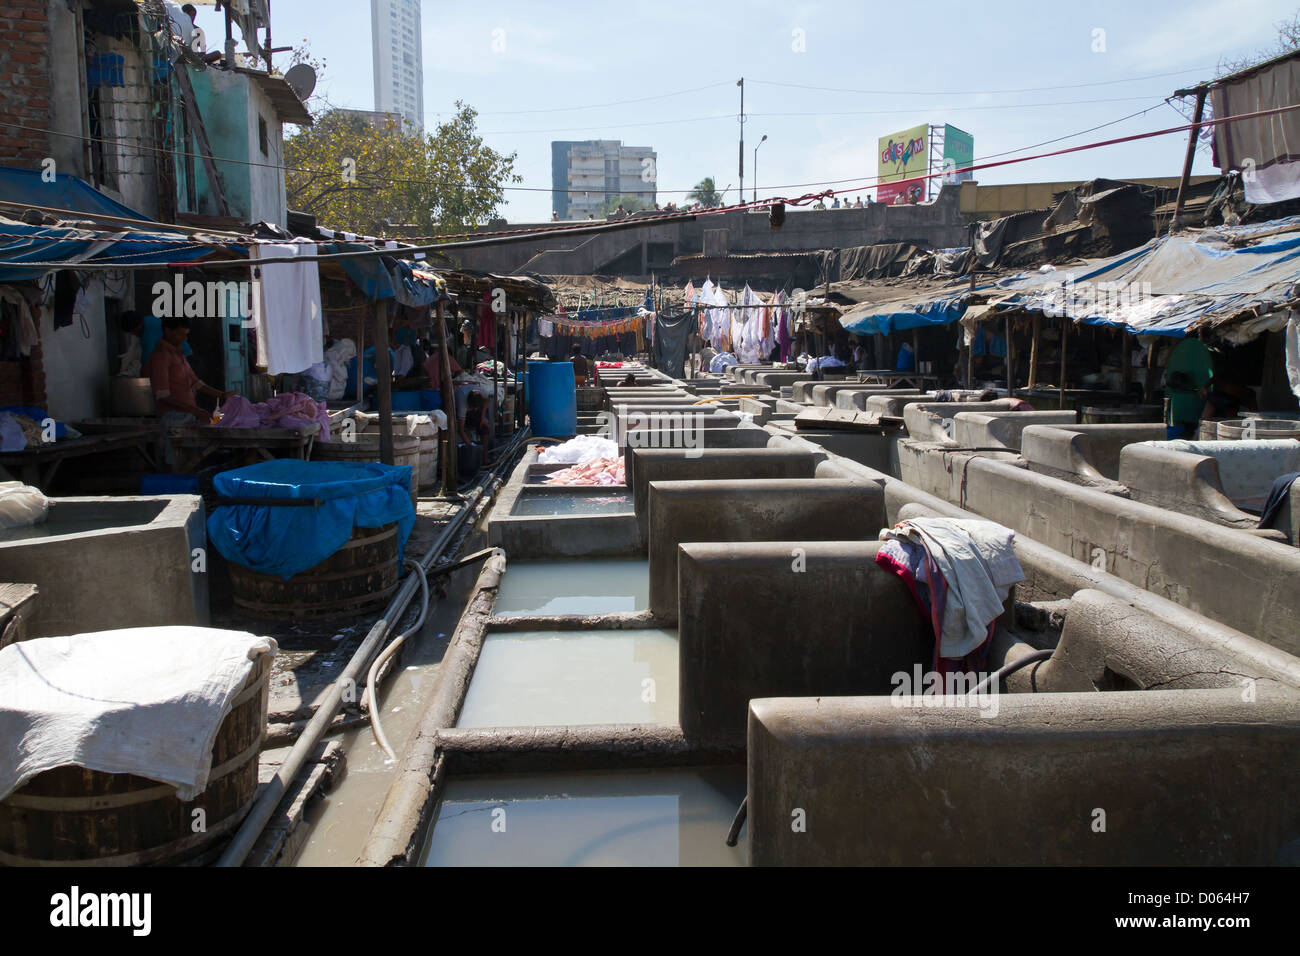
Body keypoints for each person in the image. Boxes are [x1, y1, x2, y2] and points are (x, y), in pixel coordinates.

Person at [146, 316, 233, 466]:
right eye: (180, 334)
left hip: (188, 416)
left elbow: (196, 382)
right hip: (173, 418)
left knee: (190, 460)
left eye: (186, 334)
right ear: (167, 331)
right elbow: (162, 396)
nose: (184, 338)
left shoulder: (179, 354)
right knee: (175, 461)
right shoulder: (161, 355)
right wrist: (196, 411)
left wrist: (222, 395)